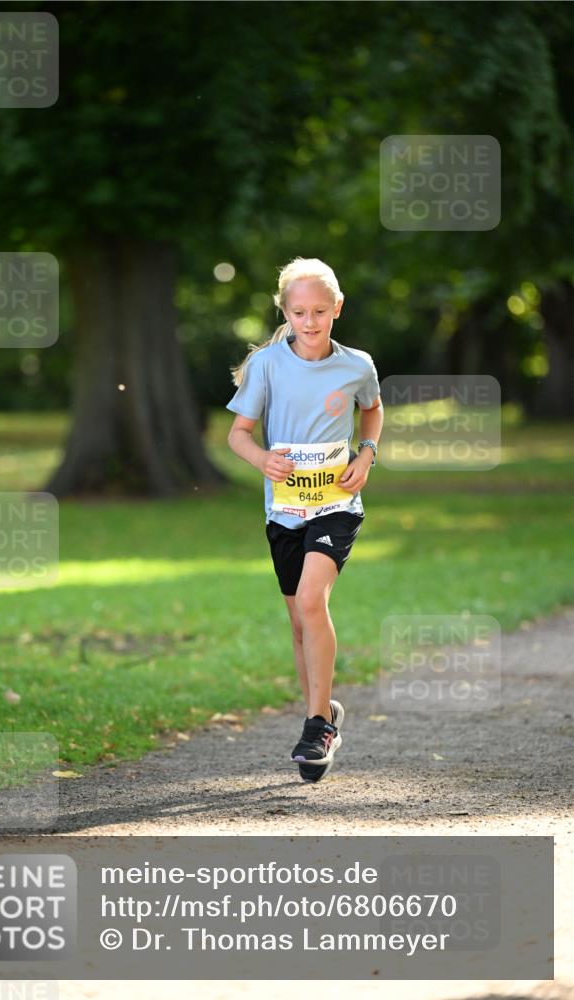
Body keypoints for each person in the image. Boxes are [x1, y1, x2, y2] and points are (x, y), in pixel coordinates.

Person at [226, 257, 383, 783]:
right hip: (285, 510)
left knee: (313, 601)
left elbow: (373, 409)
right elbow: (238, 434)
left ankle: (318, 727)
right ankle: (322, 709)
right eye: (299, 312)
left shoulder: (357, 364)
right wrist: (261, 460)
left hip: (336, 503)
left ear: (337, 308)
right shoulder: (269, 365)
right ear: (285, 312)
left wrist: (366, 453)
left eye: (320, 310)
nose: (310, 321)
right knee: (299, 621)